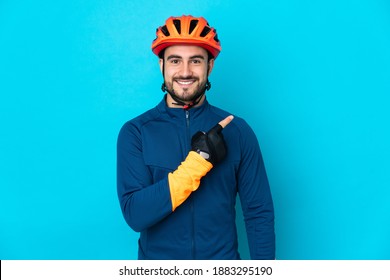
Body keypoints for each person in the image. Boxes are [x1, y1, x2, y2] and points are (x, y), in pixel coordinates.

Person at [117, 15, 275, 260]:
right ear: (162, 65)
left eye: (196, 61)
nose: (185, 71)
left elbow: (258, 212)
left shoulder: (238, 130)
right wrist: (196, 164)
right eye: (175, 60)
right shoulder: (136, 132)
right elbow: (136, 215)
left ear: (210, 66)